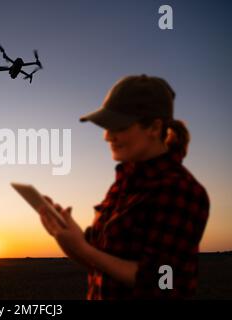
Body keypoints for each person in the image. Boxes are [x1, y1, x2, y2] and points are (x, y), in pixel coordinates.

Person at [38, 74, 210, 299]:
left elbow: (164, 281)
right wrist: (64, 235)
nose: (107, 137)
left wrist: (82, 248)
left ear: (154, 127)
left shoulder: (182, 191)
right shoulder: (123, 185)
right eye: (105, 126)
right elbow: (99, 263)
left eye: (118, 126)